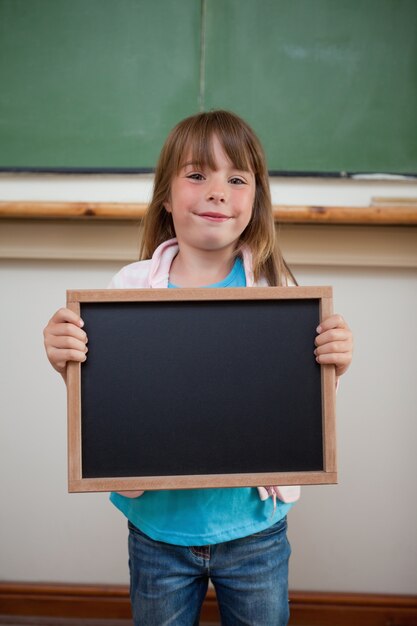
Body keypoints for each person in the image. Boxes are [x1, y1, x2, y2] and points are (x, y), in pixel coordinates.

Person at [43, 110, 353, 626]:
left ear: (255, 201)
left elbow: (294, 407)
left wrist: (332, 368)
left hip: (255, 530)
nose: (217, 192)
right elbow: (106, 394)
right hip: (158, 534)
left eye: (236, 179)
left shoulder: (278, 292)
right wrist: (64, 360)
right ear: (166, 194)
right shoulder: (126, 290)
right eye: (196, 175)